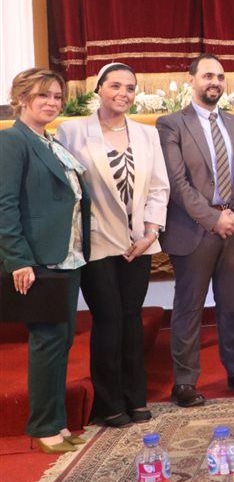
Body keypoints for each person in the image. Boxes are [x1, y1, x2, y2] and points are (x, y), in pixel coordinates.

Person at [57, 63, 169, 427]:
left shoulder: (147, 134)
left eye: (130, 88)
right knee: (108, 319)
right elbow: (68, 189)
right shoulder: (72, 131)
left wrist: (150, 232)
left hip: (139, 241)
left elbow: (159, 187)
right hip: (97, 239)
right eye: (116, 86)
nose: (124, 93)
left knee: (132, 318)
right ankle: (109, 402)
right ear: (99, 89)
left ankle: (136, 397)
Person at [157, 54, 234, 407]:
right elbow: (177, 183)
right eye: (207, 76)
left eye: (220, 77)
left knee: (232, 306)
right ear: (191, 80)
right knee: (189, 308)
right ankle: (185, 383)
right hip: (195, 230)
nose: (215, 82)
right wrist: (213, 219)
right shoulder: (171, 125)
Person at [0, 69, 90, 453]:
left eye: (56, 96)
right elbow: (4, 205)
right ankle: (42, 427)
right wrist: (18, 260)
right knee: (48, 341)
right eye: (43, 95)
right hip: (38, 259)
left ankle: (57, 422)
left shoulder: (50, 140)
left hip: (67, 256)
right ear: (22, 98)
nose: (52, 102)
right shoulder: (12, 141)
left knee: (61, 340)